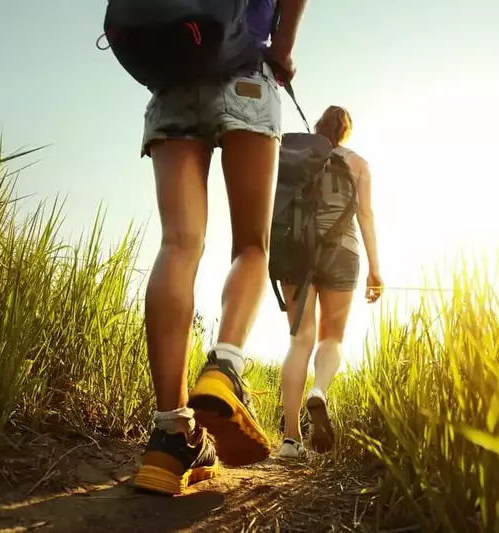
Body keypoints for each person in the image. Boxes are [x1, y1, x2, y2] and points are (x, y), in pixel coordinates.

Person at [130, 0, 309, 496]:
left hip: (172, 78)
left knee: (178, 243)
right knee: (252, 244)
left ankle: (171, 435)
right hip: (246, 72)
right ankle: (225, 368)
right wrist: (285, 50)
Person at [277, 105, 383, 459]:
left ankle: (290, 441)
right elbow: (365, 215)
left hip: (295, 250)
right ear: (346, 131)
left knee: (299, 342)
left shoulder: (296, 156)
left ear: (319, 127)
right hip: (343, 252)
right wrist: (375, 269)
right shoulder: (359, 164)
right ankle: (319, 390)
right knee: (331, 338)